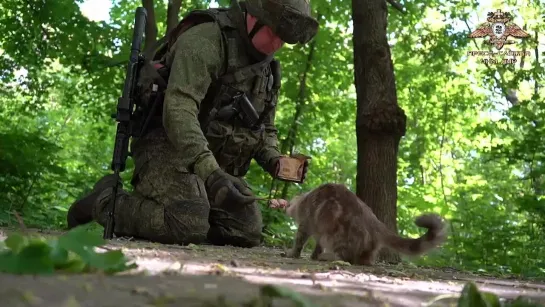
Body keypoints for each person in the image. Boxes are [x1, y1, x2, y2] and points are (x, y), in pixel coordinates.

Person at [66, 0, 318, 248]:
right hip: (165, 145)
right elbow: (178, 109)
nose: (277, 44)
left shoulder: (269, 69)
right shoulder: (206, 40)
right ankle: (106, 199)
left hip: (211, 161)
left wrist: (276, 161)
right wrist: (209, 172)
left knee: (246, 231)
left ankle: (189, 213)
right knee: (187, 222)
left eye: (284, 39)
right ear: (253, 16)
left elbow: (264, 130)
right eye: (274, 33)